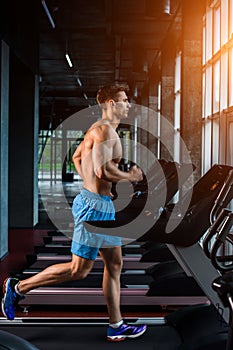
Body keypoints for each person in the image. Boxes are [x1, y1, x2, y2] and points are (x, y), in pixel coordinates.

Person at [1, 83, 147, 342]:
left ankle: (116, 325)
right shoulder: (105, 132)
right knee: (78, 270)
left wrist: (92, 185)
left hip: (99, 204)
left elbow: (78, 157)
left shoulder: (99, 131)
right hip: (94, 208)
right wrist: (130, 177)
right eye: (124, 100)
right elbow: (104, 171)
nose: (128, 105)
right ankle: (18, 286)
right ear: (111, 104)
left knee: (114, 264)